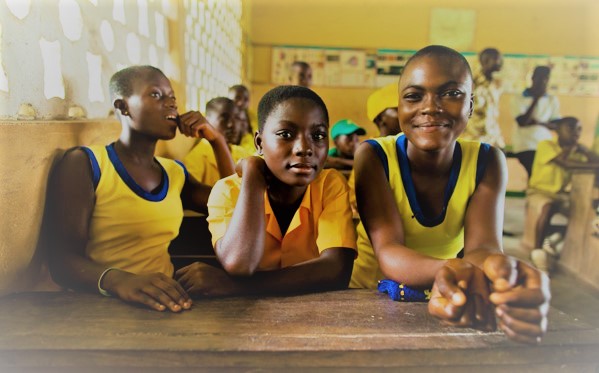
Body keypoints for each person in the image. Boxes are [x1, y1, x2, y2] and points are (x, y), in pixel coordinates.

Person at [349, 45, 550, 344]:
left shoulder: (487, 160)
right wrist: (453, 269)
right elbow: (388, 250)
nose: (430, 107)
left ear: (470, 105)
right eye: (414, 96)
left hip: (441, 292)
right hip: (366, 294)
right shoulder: (374, 156)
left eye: (451, 93)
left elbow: (482, 247)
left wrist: (500, 272)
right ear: (401, 107)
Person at [46, 65, 235, 312]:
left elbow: (232, 203)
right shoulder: (86, 164)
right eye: (156, 95)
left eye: (172, 98)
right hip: (99, 307)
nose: (171, 105)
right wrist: (121, 281)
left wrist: (216, 140)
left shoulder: (174, 173)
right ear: (123, 106)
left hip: (167, 303)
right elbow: (62, 262)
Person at [175, 85, 357, 297]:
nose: (304, 148)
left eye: (318, 135)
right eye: (286, 134)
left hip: (314, 317)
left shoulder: (329, 185)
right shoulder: (227, 191)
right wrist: (252, 175)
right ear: (259, 142)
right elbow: (238, 264)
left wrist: (237, 287)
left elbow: (336, 271)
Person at [523, 117, 599, 272]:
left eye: (579, 129)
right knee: (547, 206)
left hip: (562, 195)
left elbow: (594, 162)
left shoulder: (578, 150)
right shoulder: (546, 145)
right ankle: (538, 253)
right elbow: (566, 163)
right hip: (539, 192)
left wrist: (585, 151)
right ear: (557, 130)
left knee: (584, 213)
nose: (576, 133)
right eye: (571, 128)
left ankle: (554, 239)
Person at [183, 97, 253, 186]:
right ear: (207, 120)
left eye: (236, 118)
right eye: (224, 118)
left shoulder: (242, 153)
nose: (231, 124)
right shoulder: (197, 157)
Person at [512, 66, 561, 177]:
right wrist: (536, 98)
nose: (543, 81)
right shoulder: (519, 97)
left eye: (546, 78)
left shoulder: (552, 100)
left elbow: (556, 125)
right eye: (540, 77)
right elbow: (523, 122)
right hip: (525, 145)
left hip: (545, 144)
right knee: (534, 173)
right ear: (533, 78)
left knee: (544, 174)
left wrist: (538, 123)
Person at [461, 48, 505, 149]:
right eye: (497, 60)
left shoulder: (495, 84)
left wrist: (499, 140)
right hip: (473, 138)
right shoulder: (470, 82)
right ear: (485, 61)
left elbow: (492, 114)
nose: (500, 63)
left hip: (493, 138)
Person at [228, 84, 259, 154]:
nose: (241, 103)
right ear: (228, 98)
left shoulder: (253, 117)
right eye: (237, 98)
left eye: (246, 99)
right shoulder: (224, 118)